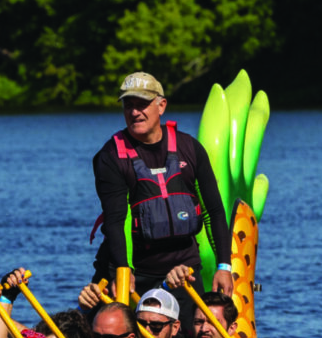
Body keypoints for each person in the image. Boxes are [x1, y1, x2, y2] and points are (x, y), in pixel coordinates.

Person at [91, 71, 234, 308]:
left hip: (184, 271)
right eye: (129, 105)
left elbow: (214, 212)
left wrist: (224, 266)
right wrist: (123, 272)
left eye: (142, 104)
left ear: (161, 105)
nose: (135, 112)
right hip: (133, 271)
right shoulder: (110, 157)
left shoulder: (190, 148)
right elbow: (117, 221)